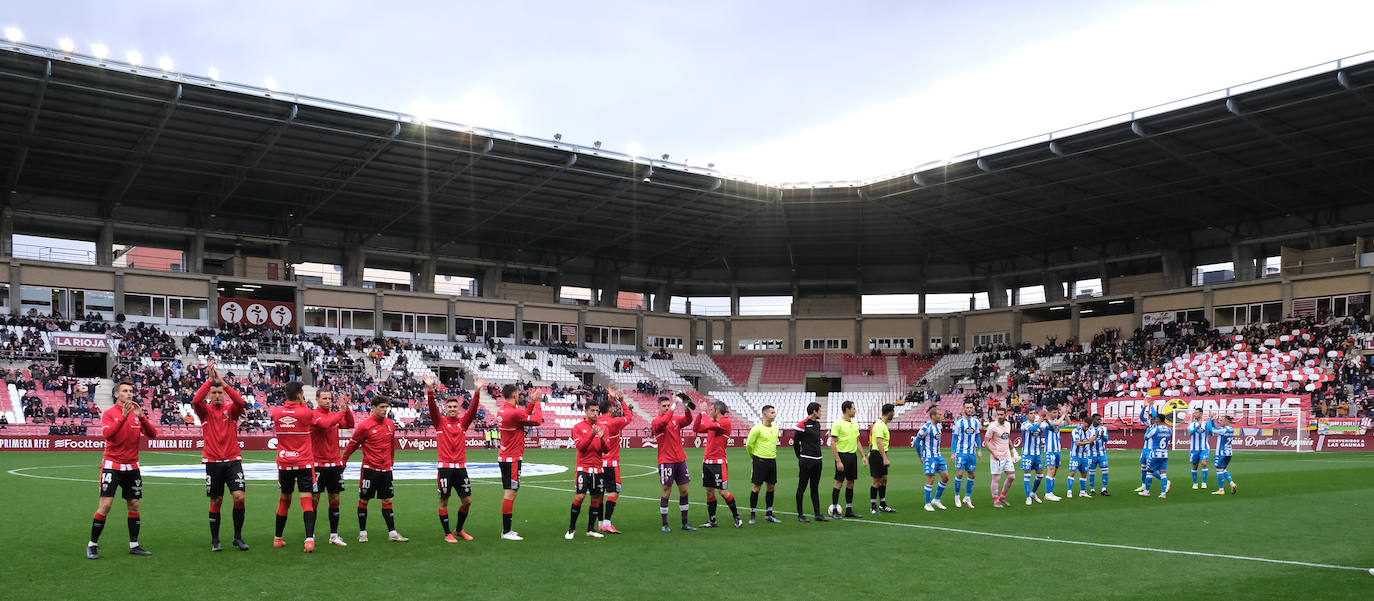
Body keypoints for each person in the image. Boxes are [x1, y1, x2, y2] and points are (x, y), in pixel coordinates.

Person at [86, 379, 158, 559]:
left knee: (133, 504)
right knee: (106, 505)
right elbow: (108, 435)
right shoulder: (109, 414)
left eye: (131, 391)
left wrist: (141, 416)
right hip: (112, 465)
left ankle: (134, 545)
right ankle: (92, 544)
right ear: (116, 394)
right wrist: (123, 417)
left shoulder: (136, 413)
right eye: (125, 391)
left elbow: (152, 434)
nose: (129, 394)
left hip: (132, 466)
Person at [190, 362, 249, 552]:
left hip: (233, 461)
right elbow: (195, 402)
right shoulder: (205, 412)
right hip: (213, 462)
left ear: (223, 394)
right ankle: (215, 539)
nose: (216, 396)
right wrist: (209, 381)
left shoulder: (231, 411)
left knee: (239, 497)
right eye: (213, 393)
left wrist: (223, 383)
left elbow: (240, 402)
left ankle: (237, 537)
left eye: (219, 393)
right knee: (216, 501)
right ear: (209, 395)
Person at [424, 374, 482, 542]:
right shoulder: (439, 422)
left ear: (458, 408)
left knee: (467, 501)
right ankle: (447, 533)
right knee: (444, 501)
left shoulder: (463, 423)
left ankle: (458, 530)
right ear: (445, 408)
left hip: (461, 468)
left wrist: (477, 391)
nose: (452, 409)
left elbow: (472, 411)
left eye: (454, 406)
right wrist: (430, 390)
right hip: (445, 468)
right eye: (449, 406)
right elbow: (432, 408)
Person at [343, 396, 408, 542]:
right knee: (364, 500)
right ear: (373, 407)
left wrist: (391, 461)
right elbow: (353, 444)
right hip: (370, 469)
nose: (385, 410)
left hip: (386, 470)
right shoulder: (364, 426)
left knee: (387, 500)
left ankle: (392, 534)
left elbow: (391, 444)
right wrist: (344, 460)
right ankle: (363, 533)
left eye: (386, 407)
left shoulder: (390, 424)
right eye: (382, 407)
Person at [270, 381, 323, 552]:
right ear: (300, 394)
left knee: (284, 500)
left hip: (285, 463)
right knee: (306, 500)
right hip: (303, 462)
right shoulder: (306, 412)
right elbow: (315, 420)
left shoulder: (276, 412)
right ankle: (309, 540)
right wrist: (302, 402)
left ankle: (278, 539)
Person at [496, 383, 544, 541]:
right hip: (512, 458)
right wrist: (537, 402)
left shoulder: (505, 411)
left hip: (507, 456)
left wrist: (531, 404)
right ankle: (506, 531)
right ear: (515, 394)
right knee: (510, 492)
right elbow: (537, 421)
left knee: (512, 491)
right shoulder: (513, 413)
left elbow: (523, 419)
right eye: (518, 393)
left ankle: (507, 529)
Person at [309, 388, 356, 547]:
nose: (328, 401)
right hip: (318, 465)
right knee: (314, 499)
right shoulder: (314, 415)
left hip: (335, 465)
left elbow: (350, 424)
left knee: (335, 499)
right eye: (324, 398)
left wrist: (346, 407)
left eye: (329, 398)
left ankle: (334, 535)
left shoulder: (334, 415)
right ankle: (311, 534)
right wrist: (341, 412)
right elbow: (326, 424)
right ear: (317, 399)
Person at [651, 394, 695, 533]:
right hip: (666, 461)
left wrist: (687, 408)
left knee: (684, 491)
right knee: (666, 491)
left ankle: (685, 522)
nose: (666, 408)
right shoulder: (656, 422)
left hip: (680, 459)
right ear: (658, 408)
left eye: (668, 405)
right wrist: (675, 406)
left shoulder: (675, 419)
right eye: (664, 406)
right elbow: (663, 423)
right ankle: (664, 523)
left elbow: (688, 420)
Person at [695, 401, 742, 528]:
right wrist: (700, 414)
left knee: (723, 492)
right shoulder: (713, 424)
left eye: (711, 409)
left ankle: (736, 516)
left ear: (717, 411)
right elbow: (696, 428)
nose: (709, 411)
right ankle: (712, 520)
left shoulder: (725, 422)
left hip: (719, 463)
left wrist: (704, 412)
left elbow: (709, 424)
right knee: (709, 492)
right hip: (707, 462)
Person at [595, 386, 633, 534]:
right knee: (614, 492)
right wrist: (622, 402)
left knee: (598, 494)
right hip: (611, 463)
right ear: (611, 410)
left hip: (597, 463)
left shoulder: (596, 421)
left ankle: (599, 523)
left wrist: (610, 399)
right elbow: (629, 417)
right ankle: (607, 523)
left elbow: (606, 409)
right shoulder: (615, 422)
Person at [567, 402, 608, 539]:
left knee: (596, 498)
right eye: (592, 410)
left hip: (598, 469)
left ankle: (590, 529)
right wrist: (592, 434)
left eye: (597, 410)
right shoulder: (578, 427)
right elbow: (581, 447)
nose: (595, 413)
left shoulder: (602, 427)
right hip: (583, 468)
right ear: (585, 411)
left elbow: (606, 450)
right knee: (580, 496)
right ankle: (571, 529)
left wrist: (602, 439)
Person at [828, 400, 868, 518]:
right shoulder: (838, 424)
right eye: (854, 408)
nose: (855, 411)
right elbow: (833, 443)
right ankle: (834, 509)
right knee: (839, 483)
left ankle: (849, 510)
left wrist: (863, 456)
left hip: (852, 456)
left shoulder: (855, 424)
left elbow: (857, 441)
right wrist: (838, 461)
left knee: (851, 483)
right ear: (847, 410)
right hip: (842, 456)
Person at [745, 404, 780, 524]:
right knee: (756, 487)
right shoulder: (756, 429)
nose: (774, 414)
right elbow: (749, 445)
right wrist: (754, 457)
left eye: (774, 412)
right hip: (759, 461)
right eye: (772, 412)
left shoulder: (775, 429)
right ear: (765, 414)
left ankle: (769, 513)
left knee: (771, 487)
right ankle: (752, 514)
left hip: (772, 460)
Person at [793, 401, 827, 523]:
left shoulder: (817, 425)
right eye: (820, 410)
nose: (821, 413)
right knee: (802, 487)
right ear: (814, 411)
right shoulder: (802, 425)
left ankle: (817, 514)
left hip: (818, 460)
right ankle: (800, 515)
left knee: (815, 487)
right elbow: (796, 443)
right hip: (806, 461)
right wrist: (800, 458)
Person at [914, 405, 949, 511]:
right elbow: (916, 441)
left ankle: (936, 500)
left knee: (945, 477)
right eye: (939, 415)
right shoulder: (926, 427)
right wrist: (921, 456)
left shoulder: (939, 427)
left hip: (938, 456)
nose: (941, 416)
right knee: (931, 479)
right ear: (933, 416)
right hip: (929, 457)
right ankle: (927, 503)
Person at [950, 400, 982, 509]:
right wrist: (953, 453)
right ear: (964, 409)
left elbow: (977, 436)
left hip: (971, 453)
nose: (969, 409)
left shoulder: (976, 422)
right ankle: (957, 497)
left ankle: (967, 497)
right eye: (967, 407)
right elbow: (954, 438)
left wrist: (979, 449)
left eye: (971, 407)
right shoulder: (959, 422)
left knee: (972, 475)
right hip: (961, 452)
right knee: (959, 473)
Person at [985, 406, 1016, 508]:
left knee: (1011, 476)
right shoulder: (992, 426)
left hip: (1006, 456)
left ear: (1005, 415)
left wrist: (1013, 451)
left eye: (1001, 415)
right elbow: (986, 441)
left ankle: (1002, 496)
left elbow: (1007, 438)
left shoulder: (1008, 424)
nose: (999, 416)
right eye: (998, 415)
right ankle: (995, 500)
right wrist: (994, 453)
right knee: (996, 478)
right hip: (997, 457)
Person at [868, 403, 896, 513]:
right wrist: (884, 458)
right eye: (893, 412)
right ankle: (873, 506)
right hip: (877, 455)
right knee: (876, 481)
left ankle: (883, 504)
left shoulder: (883, 424)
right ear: (889, 412)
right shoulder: (879, 425)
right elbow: (879, 442)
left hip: (881, 454)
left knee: (884, 480)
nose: (894, 414)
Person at [1141, 413, 1172, 499]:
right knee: (1163, 474)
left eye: (1155, 419)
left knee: (1149, 472)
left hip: (1155, 454)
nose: (1154, 420)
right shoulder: (1169, 430)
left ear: (1158, 420)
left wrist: (1148, 429)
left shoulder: (1155, 429)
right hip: (1165, 454)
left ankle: (1146, 491)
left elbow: (1146, 438)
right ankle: (1163, 494)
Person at [1021, 408, 1046, 505]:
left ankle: (1033, 493)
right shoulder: (1025, 424)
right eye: (1031, 413)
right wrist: (1040, 420)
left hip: (1037, 454)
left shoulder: (1040, 424)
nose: (1033, 415)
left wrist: (1046, 418)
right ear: (1027, 415)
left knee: (1040, 475)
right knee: (1027, 475)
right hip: (1027, 454)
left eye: (1034, 413)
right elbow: (1032, 429)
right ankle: (1028, 497)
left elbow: (1049, 427)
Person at [1208, 415, 1239, 495]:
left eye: (1222, 420)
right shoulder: (1230, 429)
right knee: (1223, 469)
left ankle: (1221, 490)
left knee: (1219, 470)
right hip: (1229, 453)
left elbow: (1209, 429)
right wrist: (1212, 422)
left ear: (1226, 421)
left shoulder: (1223, 430)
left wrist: (1210, 419)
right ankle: (1232, 483)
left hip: (1221, 453)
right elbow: (1216, 429)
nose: (1220, 422)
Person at [1041, 404, 1066, 502]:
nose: (1056, 414)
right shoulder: (1044, 423)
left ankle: (1051, 492)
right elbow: (1054, 425)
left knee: (1054, 472)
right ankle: (1047, 494)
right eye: (1054, 412)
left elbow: (1068, 422)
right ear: (1049, 412)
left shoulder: (1057, 421)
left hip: (1057, 450)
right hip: (1049, 450)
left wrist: (1066, 414)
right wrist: (1063, 414)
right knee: (1050, 470)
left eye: (1057, 412)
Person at [1068, 415, 1094, 499]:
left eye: (1088, 427)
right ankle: (1069, 491)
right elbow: (1077, 443)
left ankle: (1082, 492)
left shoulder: (1090, 432)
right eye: (1085, 426)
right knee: (1072, 473)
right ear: (1083, 422)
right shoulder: (1076, 430)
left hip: (1084, 456)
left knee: (1084, 473)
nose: (1086, 428)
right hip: (1075, 455)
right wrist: (1089, 441)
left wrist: (1093, 440)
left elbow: (1091, 443)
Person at [1187, 408, 1210, 490]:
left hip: (1204, 448)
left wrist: (1211, 421)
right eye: (1194, 412)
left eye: (1196, 412)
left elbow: (1210, 432)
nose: (1194, 414)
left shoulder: (1206, 424)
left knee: (1204, 463)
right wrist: (1198, 426)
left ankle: (1204, 483)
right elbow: (1190, 433)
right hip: (1194, 449)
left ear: (1201, 414)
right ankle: (1195, 483)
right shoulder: (1191, 424)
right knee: (1195, 466)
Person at [1088, 413, 1111, 496]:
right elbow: (1087, 441)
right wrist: (1091, 443)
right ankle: (1092, 490)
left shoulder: (1103, 428)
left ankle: (1104, 489)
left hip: (1102, 454)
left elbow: (1106, 440)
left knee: (1105, 472)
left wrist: (1102, 436)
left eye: (1100, 419)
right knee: (1091, 473)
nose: (1099, 421)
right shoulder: (1089, 429)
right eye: (1097, 419)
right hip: (1091, 455)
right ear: (1093, 420)